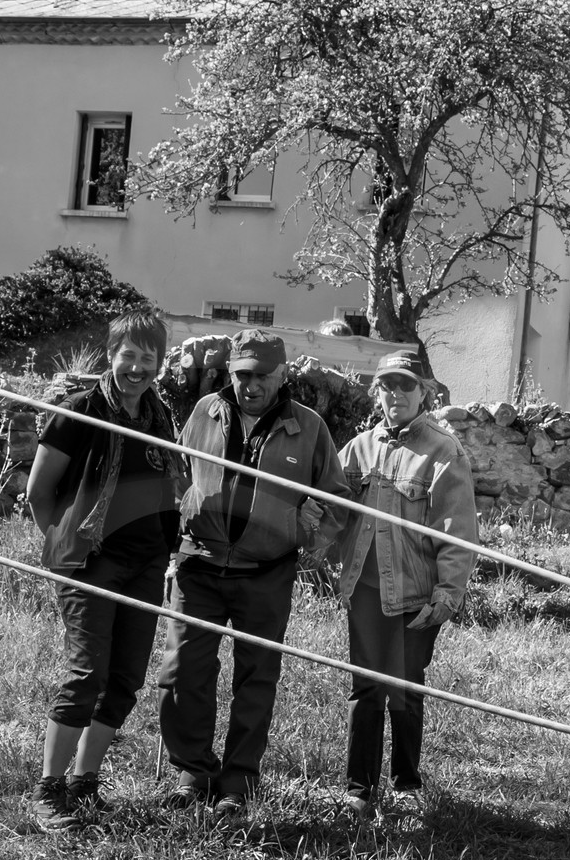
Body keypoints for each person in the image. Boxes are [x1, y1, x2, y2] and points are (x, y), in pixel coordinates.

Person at [158, 328, 350, 824]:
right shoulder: (205, 411)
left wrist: (308, 540)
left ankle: (239, 780)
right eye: (243, 375)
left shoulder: (307, 427)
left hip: (266, 572)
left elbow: (335, 498)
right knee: (182, 672)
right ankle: (193, 772)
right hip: (198, 562)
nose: (252, 385)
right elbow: (178, 473)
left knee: (256, 679)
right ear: (230, 373)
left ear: (282, 375)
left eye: (263, 376)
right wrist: (175, 525)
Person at [25, 308, 185, 831]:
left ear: (159, 362)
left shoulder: (161, 419)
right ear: (111, 355)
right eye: (128, 355)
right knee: (86, 672)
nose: (137, 367)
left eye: (148, 357)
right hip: (90, 561)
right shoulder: (80, 411)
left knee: (125, 677)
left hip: (145, 562)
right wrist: (65, 542)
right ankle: (47, 791)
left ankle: (83, 782)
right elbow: (38, 493)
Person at [333, 349, 478, 819]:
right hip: (366, 592)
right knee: (366, 687)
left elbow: (457, 531)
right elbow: (329, 506)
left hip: (415, 594)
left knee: (405, 686)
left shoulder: (442, 451)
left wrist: (449, 591)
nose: (396, 394)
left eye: (406, 386)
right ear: (377, 392)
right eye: (387, 386)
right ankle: (359, 789)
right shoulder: (357, 448)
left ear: (425, 393)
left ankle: (406, 784)